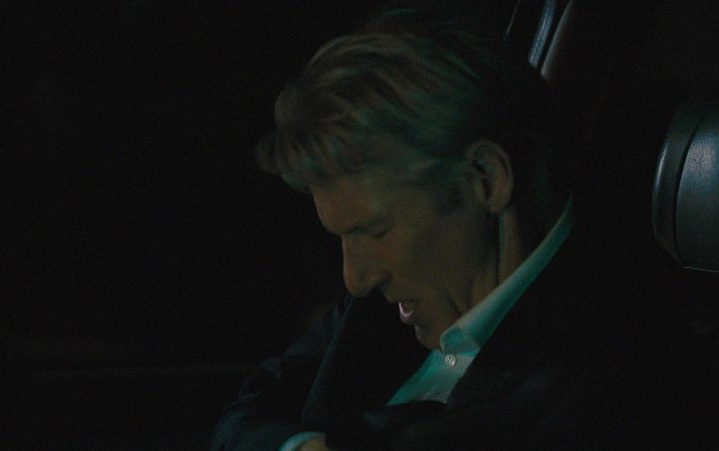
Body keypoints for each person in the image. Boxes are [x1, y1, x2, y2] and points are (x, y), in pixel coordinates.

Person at [211, 3, 691, 450]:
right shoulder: (393, 302)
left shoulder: (613, 369)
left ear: (486, 178)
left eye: (375, 231)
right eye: (344, 236)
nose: (355, 278)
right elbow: (246, 413)